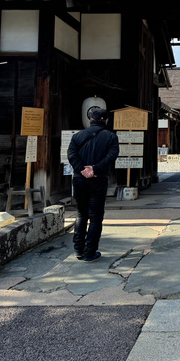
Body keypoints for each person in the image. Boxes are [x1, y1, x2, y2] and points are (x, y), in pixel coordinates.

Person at [67, 107, 120, 263]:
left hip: (79, 179)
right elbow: (112, 156)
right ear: (105, 120)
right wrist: (95, 169)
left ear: (90, 119)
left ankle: (78, 249)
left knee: (81, 214)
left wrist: (82, 169)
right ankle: (90, 251)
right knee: (95, 217)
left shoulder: (77, 136)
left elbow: (71, 154)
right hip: (98, 178)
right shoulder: (111, 137)